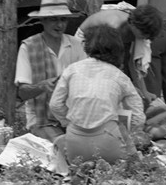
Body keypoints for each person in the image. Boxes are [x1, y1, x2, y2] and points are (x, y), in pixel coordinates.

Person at [49, 25, 146, 164]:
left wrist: (69, 122)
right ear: (117, 49)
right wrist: (127, 135)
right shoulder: (120, 77)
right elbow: (138, 118)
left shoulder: (71, 70)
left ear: (87, 46)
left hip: (75, 146)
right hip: (109, 145)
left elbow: (55, 105)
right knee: (127, 159)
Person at [15, 0, 86, 143]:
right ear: (43, 20)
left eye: (63, 19)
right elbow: (22, 92)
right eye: (54, 19)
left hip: (73, 117)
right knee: (65, 145)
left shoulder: (77, 45)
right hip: (42, 119)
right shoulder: (29, 47)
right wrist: (41, 86)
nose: (59, 25)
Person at [75, 4, 163, 106]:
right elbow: (106, 63)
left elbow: (133, 63)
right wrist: (128, 88)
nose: (145, 37)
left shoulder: (137, 33)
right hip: (88, 40)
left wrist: (144, 91)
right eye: (144, 33)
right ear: (133, 24)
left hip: (105, 43)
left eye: (147, 35)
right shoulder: (114, 25)